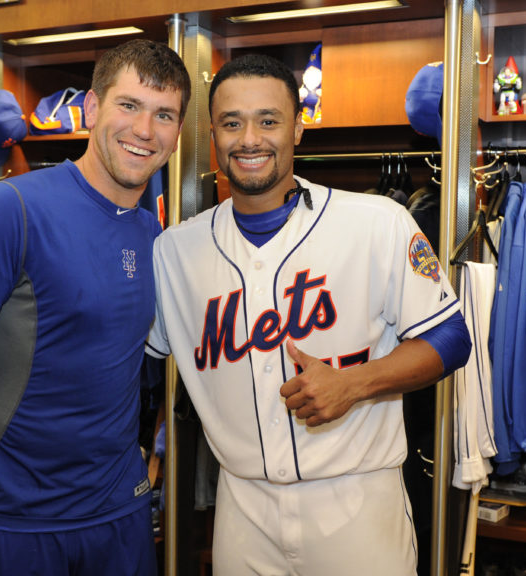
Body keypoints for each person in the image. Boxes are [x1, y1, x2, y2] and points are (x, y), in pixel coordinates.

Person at [145, 53, 471, 576]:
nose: (249, 138)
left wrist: (356, 383)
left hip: (358, 505)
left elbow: (452, 338)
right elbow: (132, 355)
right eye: (232, 123)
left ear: (298, 127)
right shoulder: (174, 251)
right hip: (242, 509)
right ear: (213, 134)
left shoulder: (377, 222)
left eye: (268, 120)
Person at [0, 39, 190, 576]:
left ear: (178, 130)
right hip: (12, 520)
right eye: (129, 106)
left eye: (164, 114)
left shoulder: (155, 233)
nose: (145, 130)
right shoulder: (12, 209)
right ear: (94, 108)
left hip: (119, 514)